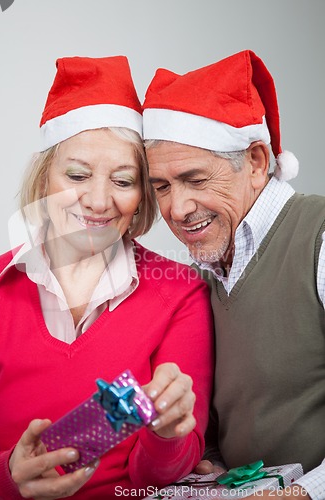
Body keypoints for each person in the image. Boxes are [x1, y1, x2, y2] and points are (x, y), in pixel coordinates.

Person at [0, 56, 214, 499]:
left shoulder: (181, 295)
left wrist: (168, 434)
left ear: (142, 194)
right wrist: (7, 476)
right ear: (45, 176)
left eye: (123, 181)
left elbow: (155, 478)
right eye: (78, 175)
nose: (99, 201)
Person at [142, 50, 325, 500]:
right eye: (161, 187)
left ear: (258, 162)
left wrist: (301, 493)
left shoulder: (318, 239)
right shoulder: (199, 278)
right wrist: (211, 464)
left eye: (196, 179)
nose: (177, 209)